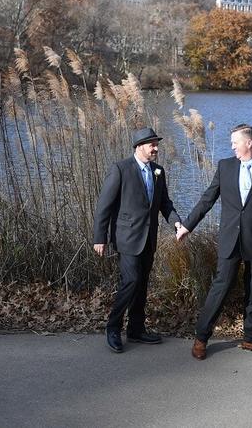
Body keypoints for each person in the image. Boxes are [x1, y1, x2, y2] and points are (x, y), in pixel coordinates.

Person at [176, 123, 252, 359]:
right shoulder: (225, 167)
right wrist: (187, 225)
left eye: (235, 142)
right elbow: (208, 199)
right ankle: (201, 337)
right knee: (220, 287)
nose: (232, 146)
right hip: (230, 239)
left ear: (249, 143)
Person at [94, 127, 182, 353]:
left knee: (141, 284)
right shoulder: (120, 169)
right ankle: (113, 327)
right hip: (127, 238)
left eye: (156, 144)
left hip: (148, 239)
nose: (156, 148)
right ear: (139, 146)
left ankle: (136, 328)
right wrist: (99, 238)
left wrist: (176, 222)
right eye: (152, 144)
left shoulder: (158, 171)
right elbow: (105, 206)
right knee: (131, 281)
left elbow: (165, 203)